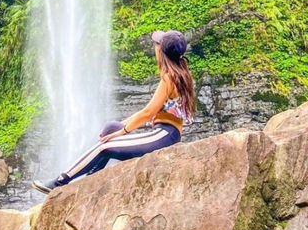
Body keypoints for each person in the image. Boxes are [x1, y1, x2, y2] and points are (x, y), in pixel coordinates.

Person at [32, 29, 196, 194]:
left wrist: (123, 132)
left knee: (105, 147)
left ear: (161, 51)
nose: (155, 47)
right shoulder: (179, 74)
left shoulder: (169, 78)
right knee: (111, 127)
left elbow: (148, 113)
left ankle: (60, 181)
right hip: (161, 132)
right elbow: (148, 112)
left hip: (164, 135)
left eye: (157, 44)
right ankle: (89, 179)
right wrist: (120, 127)